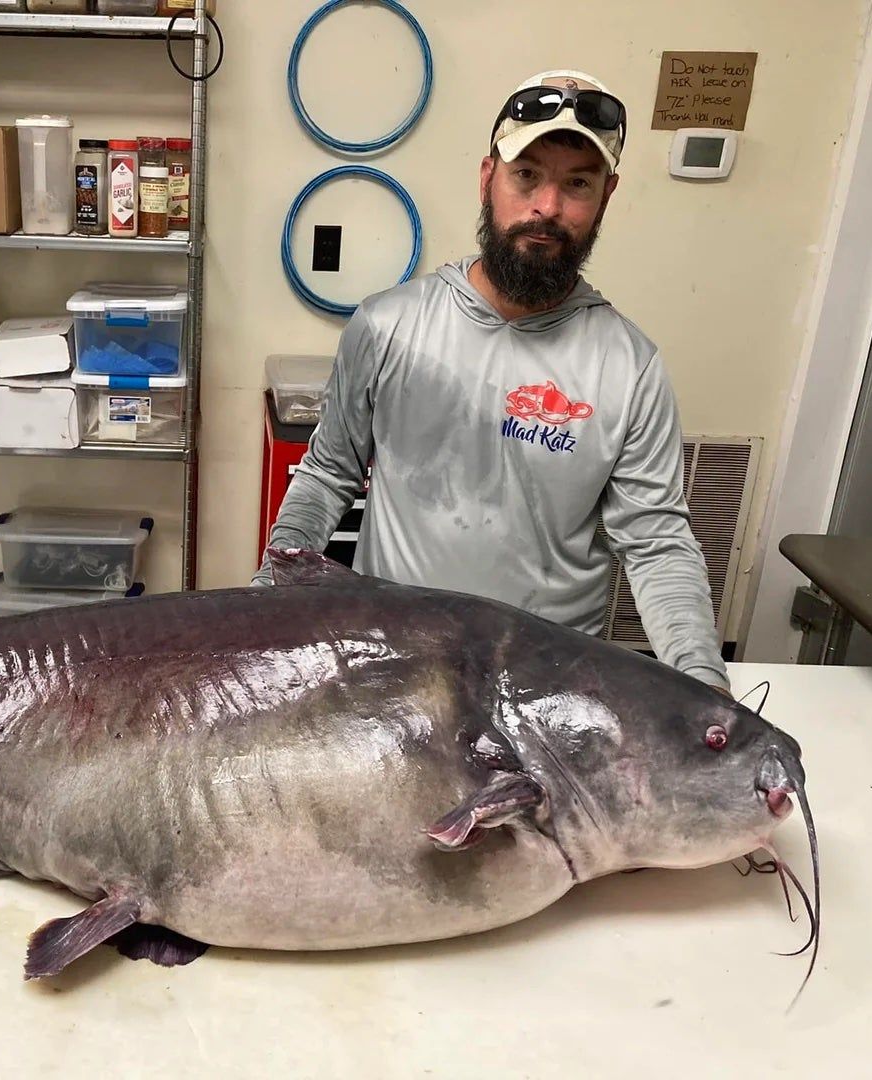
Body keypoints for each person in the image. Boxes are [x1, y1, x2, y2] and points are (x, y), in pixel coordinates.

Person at [254, 69, 730, 693]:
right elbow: (328, 473)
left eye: (577, 184)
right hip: (393, 665)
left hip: (546, 687)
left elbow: (657, 542)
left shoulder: (628, 365)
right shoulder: (388, 325)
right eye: (526, 175)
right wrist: (266, 597)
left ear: (606, 196)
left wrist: (702, 679)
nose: (547, 207)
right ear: (488, 179)